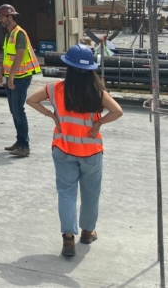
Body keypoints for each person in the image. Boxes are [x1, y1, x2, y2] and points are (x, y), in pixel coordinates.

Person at [26, 44, 123, 257]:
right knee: (90, 195)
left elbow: (30, 99)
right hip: (91, 152)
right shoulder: (97, 91)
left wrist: (51, 115)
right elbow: (117, 111)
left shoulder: (55, 88)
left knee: (66, 194)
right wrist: (99, 124)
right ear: (90, 69)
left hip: (64, 149)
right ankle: (87, 232)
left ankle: (68, 239)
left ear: (68, 66)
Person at [0, 4, 41, 157]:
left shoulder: (19, 34)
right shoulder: (9, 35)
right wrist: (1, 73)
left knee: (18, 111)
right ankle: (20, 141)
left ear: (10, 17)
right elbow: (7, 57)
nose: (0, 20)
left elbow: (20, 56)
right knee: (14, 110)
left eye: (2, 17)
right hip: (13, 76)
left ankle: (24, 145)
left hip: (21, 77)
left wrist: (12, 76)